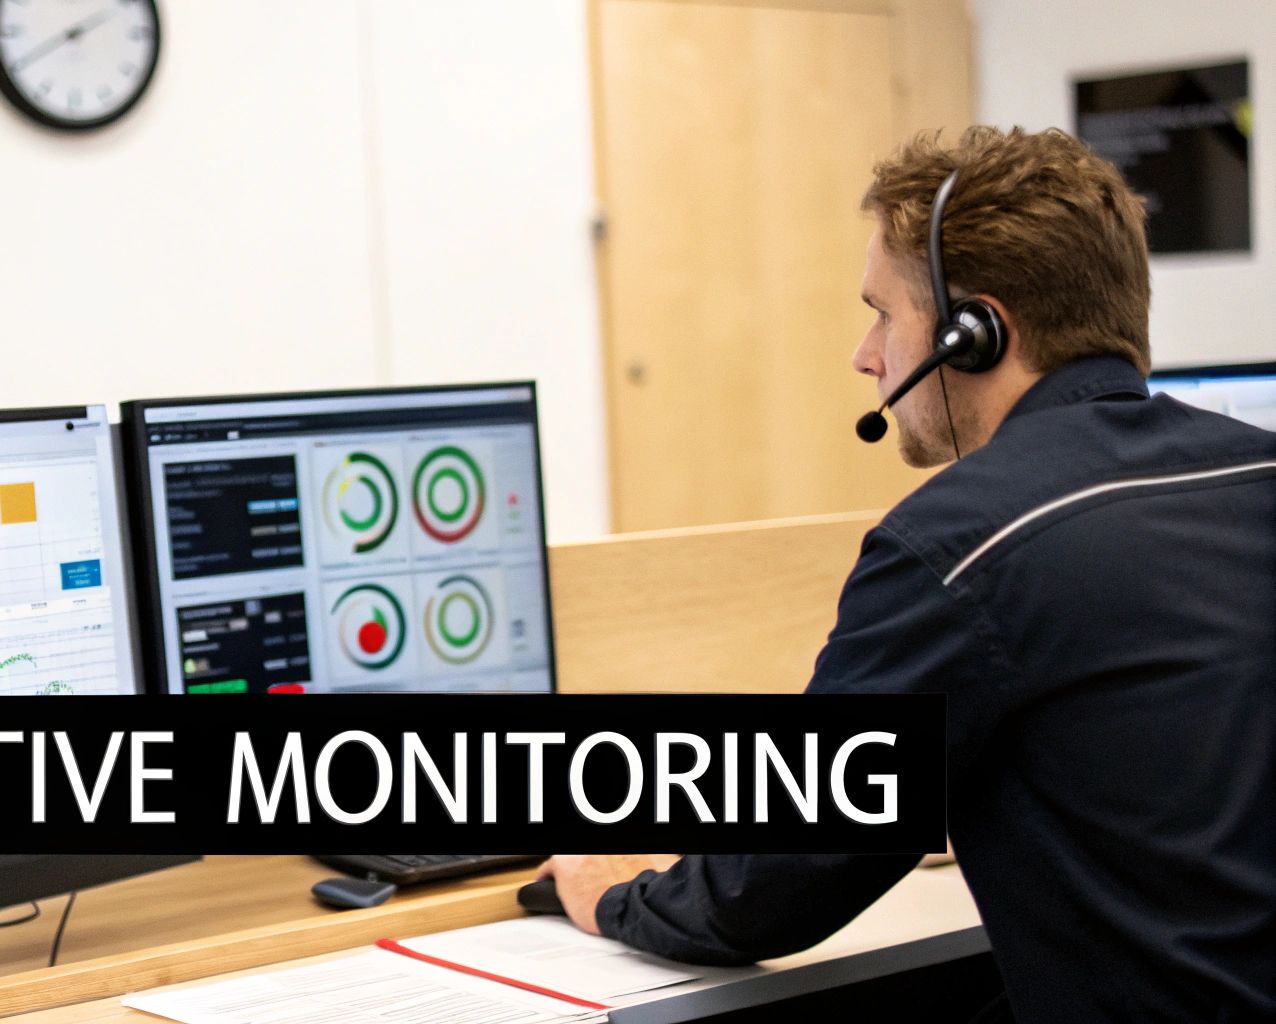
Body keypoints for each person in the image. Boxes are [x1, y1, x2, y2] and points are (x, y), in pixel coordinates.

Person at [540, 126, 1276, 1021]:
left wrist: (617, 890)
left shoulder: (961, 543)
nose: (866, 355)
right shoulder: (1255, 471)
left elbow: (768, 889)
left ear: (974, 334)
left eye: (884, 313)